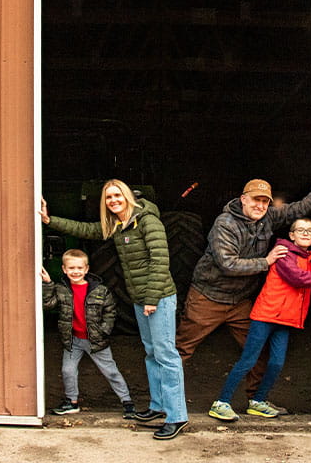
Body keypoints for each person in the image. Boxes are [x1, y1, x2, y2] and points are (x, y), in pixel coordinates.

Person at [176, 160, 311, 413]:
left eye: (265, 201)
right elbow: (228, 264)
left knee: (257, 351)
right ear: (243, 200)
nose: (261, 206)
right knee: (182, 349)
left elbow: (298, 209)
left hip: (241, 301)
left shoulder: (267, 217)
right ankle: (167, 403)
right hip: (208, 297)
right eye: (256, 200)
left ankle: (255, 400)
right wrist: (267, 261)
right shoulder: (225, 224)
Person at [40, 180, 189, 440]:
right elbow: (85, 229)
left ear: (128, 197)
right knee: (152, 353)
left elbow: (160, 260)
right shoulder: (118, 225)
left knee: (166, 355)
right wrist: (49, 220)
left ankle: (177, 416)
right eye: (108, 197)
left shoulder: (147, 221)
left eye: (117, 195)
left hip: (159, 297)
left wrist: (152, 298)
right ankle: (158, 406)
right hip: (140, 298)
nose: (113, 200)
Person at [208, 218, 311, 421]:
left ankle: (258, 401)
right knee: (249, 360)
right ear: (292, 235)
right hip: (266, 315)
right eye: (301, 230)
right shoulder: (284, 253)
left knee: (277, 363)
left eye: (310, 230)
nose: (306, 233)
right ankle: (221, 403)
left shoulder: (307, 259)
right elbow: (298, 279)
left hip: (285, 319)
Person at [40, 249, 135, 418]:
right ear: (64, 269)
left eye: (79, 268)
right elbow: (48, 304)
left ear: (86, 269)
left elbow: (110, 311)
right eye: (71, 268)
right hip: (73, 340)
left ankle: (127, 402)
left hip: (95, 341)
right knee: (68, 371)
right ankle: (72, 402)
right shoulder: (61, 289)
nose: (75, 272)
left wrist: (104, 330)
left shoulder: (100, 290)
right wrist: (47, 284)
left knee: (110, 371)